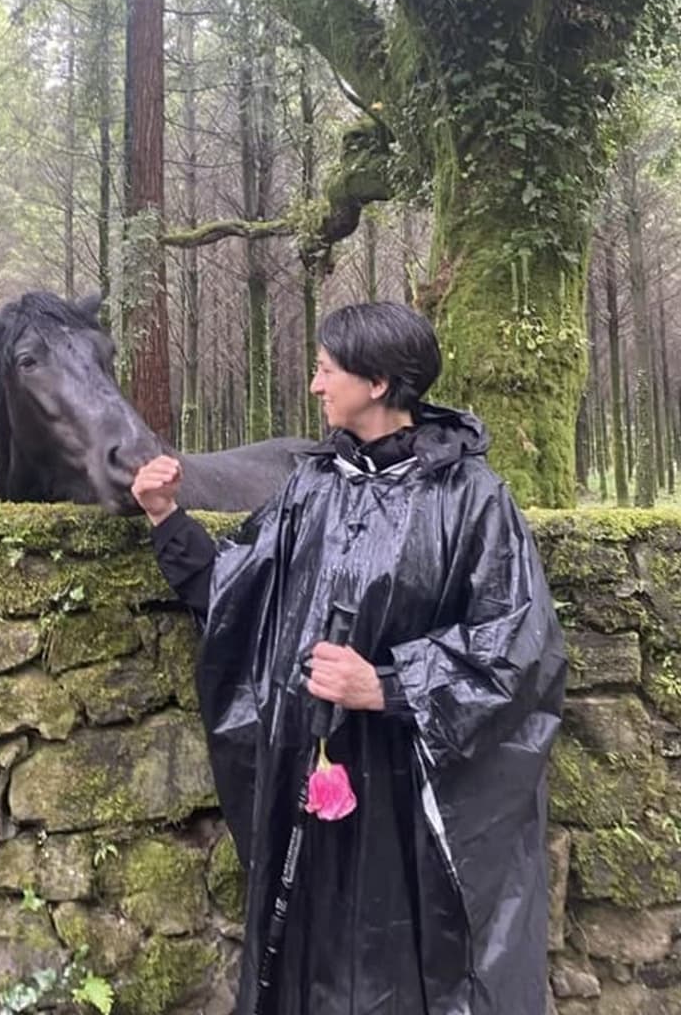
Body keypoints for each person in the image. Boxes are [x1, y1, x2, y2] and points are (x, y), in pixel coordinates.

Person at [131, 301, 566, 1015]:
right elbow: (238, 596)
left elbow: (520, 648)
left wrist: (389, 686)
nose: (315, 385)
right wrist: (164, 517)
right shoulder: (312, 488)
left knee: (408, 969)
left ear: (378, 383)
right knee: (309, 960)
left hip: (411, 800)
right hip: (312, 788)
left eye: (326, 369)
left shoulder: (472, 500)